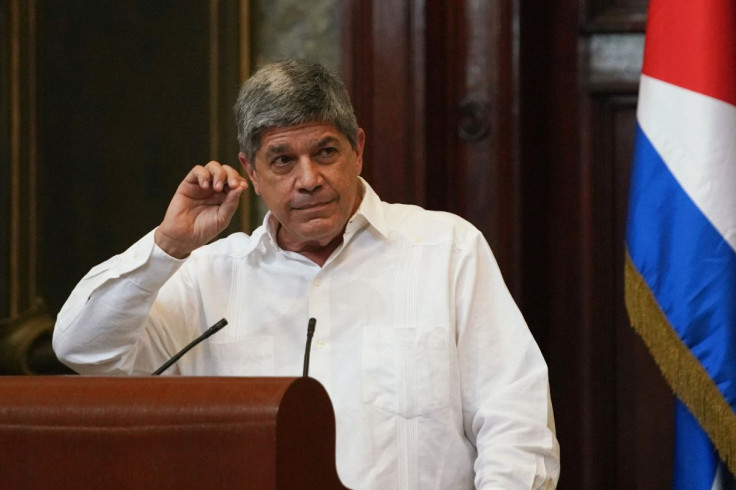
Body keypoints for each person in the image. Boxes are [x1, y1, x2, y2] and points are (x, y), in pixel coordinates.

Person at [53, 59, 560, 489]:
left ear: (357, 148)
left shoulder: (446, 248)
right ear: (250, 171)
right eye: (282, 160)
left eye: (325, 152)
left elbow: (516, 425)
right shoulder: (209, 276)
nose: (309, 180)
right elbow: (82, 349)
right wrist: (168, 246)